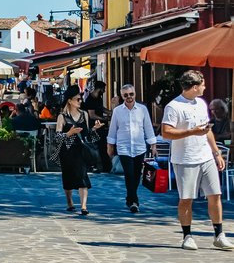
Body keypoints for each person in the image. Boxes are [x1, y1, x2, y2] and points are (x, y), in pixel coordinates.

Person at [160, 70, 232, 250]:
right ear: (194, 87)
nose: (205, 87)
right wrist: (191, 132)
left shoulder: (201, 103)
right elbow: (166, 132)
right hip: (185, 158)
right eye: (203, 85)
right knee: (186, 198)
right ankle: (187, 236)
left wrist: (216, 153)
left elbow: (207, 130)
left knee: (215, 195)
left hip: (205, 156)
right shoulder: (174, 106)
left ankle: (219, 234)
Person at [107, 84, 157, 214]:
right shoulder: (118, 111)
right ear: (122, 96)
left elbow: (148, 128)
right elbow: (113, 130)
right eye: (125, 95)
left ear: (135, 94)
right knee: (129, 175)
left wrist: (153, 144)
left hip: (139, 147)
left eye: (131, 94)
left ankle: (130, 198)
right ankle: (134, 201)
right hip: (124, 148)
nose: (129, 97)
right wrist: (110, 146)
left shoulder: (142, 109)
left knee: (136, 175)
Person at [56, 86, 97, 215]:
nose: (80, 101)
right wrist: (69, 133)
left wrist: (95, 129)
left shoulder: (84, 114)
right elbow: (57, 137)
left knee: (83, 177)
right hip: (67, 151)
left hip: (81, 150)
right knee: (68, 177)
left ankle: (84, 206)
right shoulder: (62, 117)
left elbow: (88, 135)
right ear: (70, 100)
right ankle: (69, 202)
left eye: (80, 99)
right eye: (78, 99)